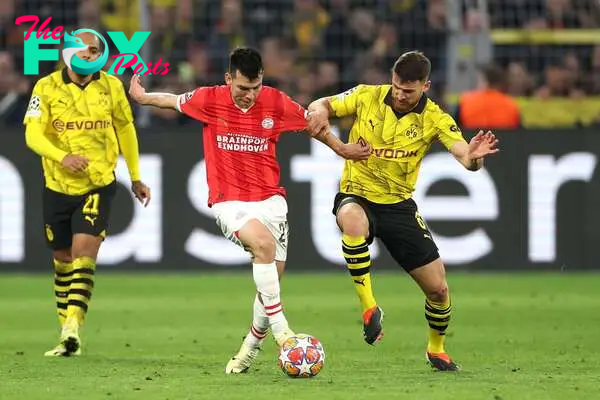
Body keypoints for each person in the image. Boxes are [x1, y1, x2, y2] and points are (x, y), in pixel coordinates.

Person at [128, 47, 370, 374]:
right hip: (230, 201)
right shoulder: (209, 99)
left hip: (271, 201)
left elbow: (314, 125)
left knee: (269, 282)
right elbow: (171, 100)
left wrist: (343, 149)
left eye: (255, 88)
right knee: (264, 247)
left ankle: (248, 348)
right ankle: (284, 333)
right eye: (242, 88)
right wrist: (142, 97)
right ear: (229, 79)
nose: (248, 95)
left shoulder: (276, 101)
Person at [307, 50, 499, 371]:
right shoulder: (367, 95)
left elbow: (465, 157)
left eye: (408, 90)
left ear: (425, 87)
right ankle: (370, 309)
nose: (399, 93)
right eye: (396, 85)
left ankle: (436, 349)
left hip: (398, 206)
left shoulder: (436, 118)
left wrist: (475, 157)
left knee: (438, 289)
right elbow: (320, 105)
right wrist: (321, 117)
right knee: (352, 221)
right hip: (358, 193)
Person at [23, 32, 151, 357]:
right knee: (62, 260)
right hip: (57, 186)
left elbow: (125, 128)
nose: (92, 56)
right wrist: (61, 156)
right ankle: (67, 335)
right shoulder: (46, 87)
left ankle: (72, 328)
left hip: (98, 183)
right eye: (86, 50)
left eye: (97, 51)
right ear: (70, 54)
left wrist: (135, 176)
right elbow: (33, 134)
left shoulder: (110, 86)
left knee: (84, 253)